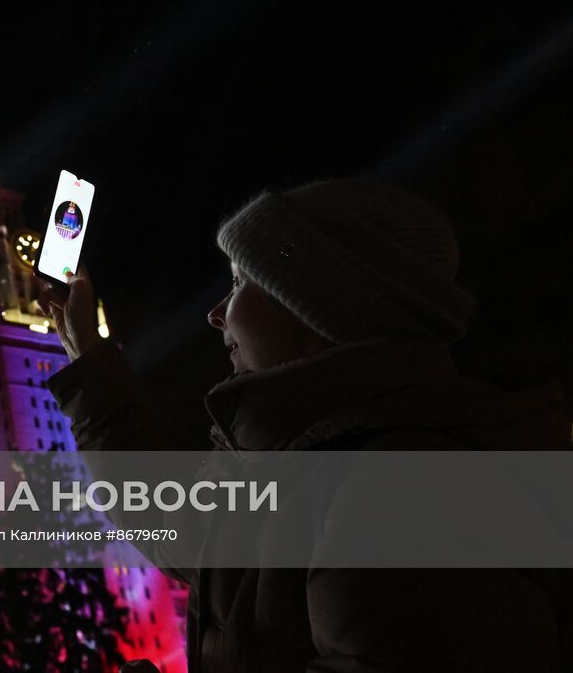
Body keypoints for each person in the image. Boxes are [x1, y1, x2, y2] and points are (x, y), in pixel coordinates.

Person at [38, 179, 569, 672]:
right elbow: (169, 517)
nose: (216, 314)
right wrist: (88, 358)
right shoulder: (303, 464)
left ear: (316, 312)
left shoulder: (402, 492)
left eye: (241, 281)